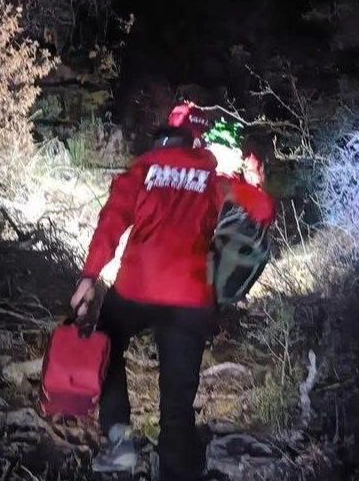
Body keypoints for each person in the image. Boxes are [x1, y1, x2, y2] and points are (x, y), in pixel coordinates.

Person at [69, 101, 225, 481]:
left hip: (137, 289)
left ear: (159, 143)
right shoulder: (214, 180)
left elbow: (111, 223)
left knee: (104, 343)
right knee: (178, 394)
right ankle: (174, 467)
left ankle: (120, 442)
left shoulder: (143, 170)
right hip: (191, 297)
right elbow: (260, 210)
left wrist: (89, 276)